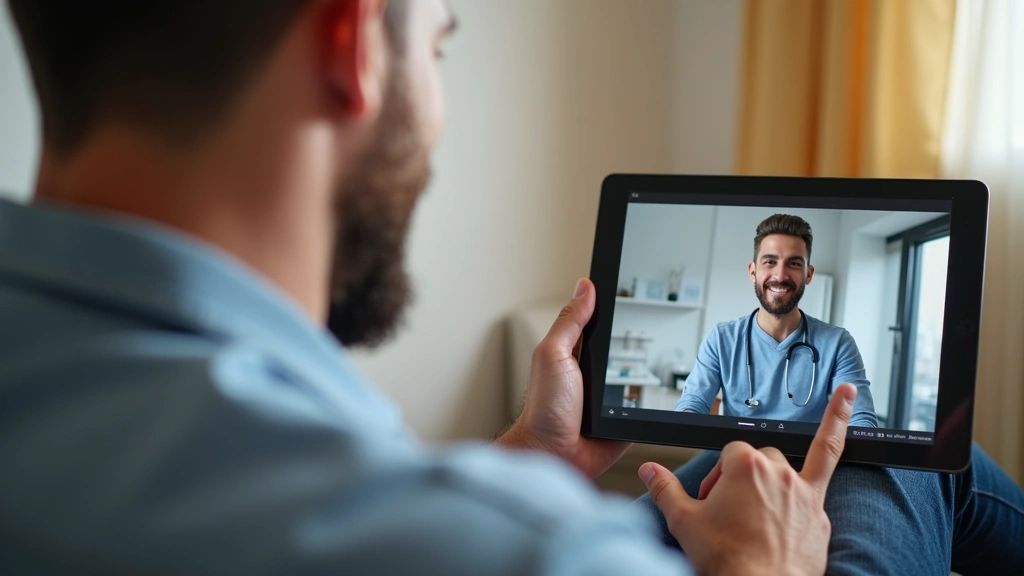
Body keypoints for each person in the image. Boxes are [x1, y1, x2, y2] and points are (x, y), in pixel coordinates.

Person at [0, 1, 1021, 575]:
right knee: (916, 466)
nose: (780, 275)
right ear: (351, 43)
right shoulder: (538, 552)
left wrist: (530, 463)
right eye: (437, 43)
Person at [675, 214, 878, 427]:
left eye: (794, 263)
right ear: (753, 271)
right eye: (770, 262)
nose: (780, 275)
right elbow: (693, 402)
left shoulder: (837, 344)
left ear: (808, 274)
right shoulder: (722, 338)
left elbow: (861, 419)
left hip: (802, 460)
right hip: (737, 457)